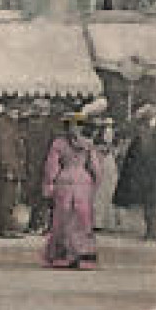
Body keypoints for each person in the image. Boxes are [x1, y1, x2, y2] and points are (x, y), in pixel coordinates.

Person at [40, 111, 102, 269]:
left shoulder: (58, 143)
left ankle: (62, 256)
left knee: (63, 218)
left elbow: (51, 166)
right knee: (83, 219)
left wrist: (49, 184)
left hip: (65, 180)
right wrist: (94, 184)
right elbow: (96, 168)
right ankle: (83, 256)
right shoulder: (88, 144)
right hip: (83, 182)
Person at [114, 104, 156, 242]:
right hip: (147, 175)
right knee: (150, 204)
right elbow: (133, 158)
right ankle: (152, 231)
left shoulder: (151, 137)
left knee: (152, 204)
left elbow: (135, 158)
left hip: (150, 175)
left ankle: (154, 231)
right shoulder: (146, 137)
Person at [0, 104, 26, 238]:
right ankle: (6, 229)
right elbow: (5, 149)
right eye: (16, 110)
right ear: (10, 111)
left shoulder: (1, 125)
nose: (18, 114)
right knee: (6, 199)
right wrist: (9, 168)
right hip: (7, 170)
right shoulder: (7, 127)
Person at [21, 98, 59, 234]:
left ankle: (38, 223)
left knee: (40, 196)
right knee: (41, 196)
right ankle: (38, 223)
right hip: (41, 163)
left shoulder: (30, 124)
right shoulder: (51, 125)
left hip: (39, 164)